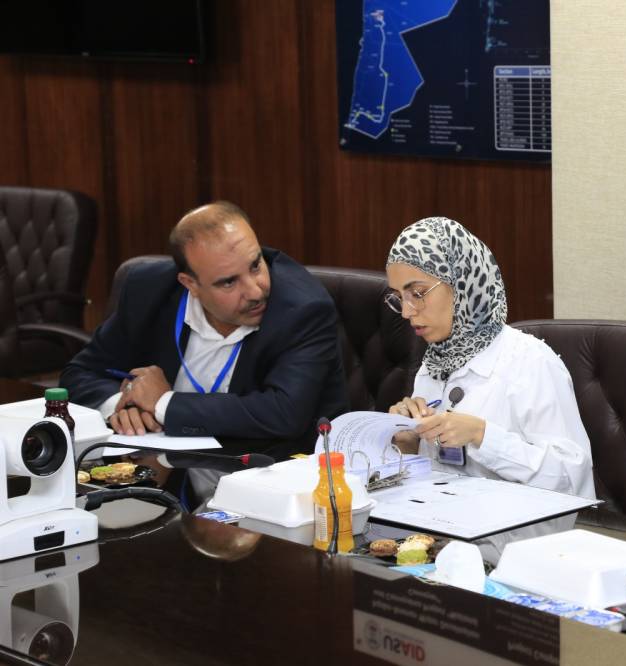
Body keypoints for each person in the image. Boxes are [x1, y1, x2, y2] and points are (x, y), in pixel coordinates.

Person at [61, 202, 349, 495]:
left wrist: (162, 403)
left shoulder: (303, 309)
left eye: (255, 265)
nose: (255, 291)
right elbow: (80, 373)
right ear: (190, 284)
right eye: (229, 282)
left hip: (277, 489)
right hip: (170, 486)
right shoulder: (147, 290)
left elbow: (283, 413)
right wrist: (123, 405)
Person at [384, 217, 596, 555]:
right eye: (399, 298)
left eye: (418, 294)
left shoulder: (530, 361)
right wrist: (407, 443)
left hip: (518, 553)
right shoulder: (433, 364)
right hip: (443, 540)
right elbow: (437, 476)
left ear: (462, 282)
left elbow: (571, 478)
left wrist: (482, 436)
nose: (407, 312)